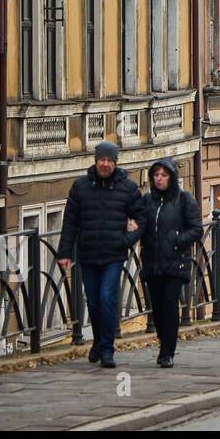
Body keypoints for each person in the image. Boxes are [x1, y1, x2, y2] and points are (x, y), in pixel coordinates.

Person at [56, 142, 143, 368]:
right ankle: (98, 341)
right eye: (101, 159)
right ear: (96, 161)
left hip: (114, 255)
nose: (105, 164)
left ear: (116, 162)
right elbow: (70, 222)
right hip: (88, 254)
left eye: (109, 160)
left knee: (106, 298)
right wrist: (65, 252)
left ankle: (106, 349)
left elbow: (141, 219)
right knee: (93, 302)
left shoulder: (128, 188)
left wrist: (126, 240)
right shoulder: (80, 187)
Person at [127, 158, 201, 368]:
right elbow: (140, 223)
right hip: (153, 263)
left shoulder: (184, 199)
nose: (159, 179)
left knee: (169, 305)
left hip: (175, 263)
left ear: (171, 177)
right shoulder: (148, 201)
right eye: (156, 175)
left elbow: (196, 229)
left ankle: (167, 351)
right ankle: (163, 339)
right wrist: (132, 227)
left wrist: (177, 239)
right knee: (158, 309)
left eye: (163, 175)